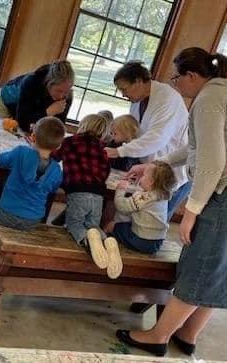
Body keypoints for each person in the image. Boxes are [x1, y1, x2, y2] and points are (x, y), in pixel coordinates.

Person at [116, 47, 227, 357]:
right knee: (219, 269)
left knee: (200, 265)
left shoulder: (209, 98)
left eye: (178, 77)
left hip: (222, 196)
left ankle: (159, 335)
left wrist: (190, 212)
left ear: (192, 76)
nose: (176, 84)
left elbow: (211, 161)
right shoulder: (221, 92)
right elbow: (195, 147)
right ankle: (188, 334)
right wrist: (156, 164)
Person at [0, 60, 74, 212]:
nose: (63, 95)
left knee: (28, 151)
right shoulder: (31, 82)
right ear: (48, 84)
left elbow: (55, 126)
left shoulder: (66, 96)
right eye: (59, 91)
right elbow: (23, 120)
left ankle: (9, 199)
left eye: (67, 91)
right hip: (7, 104)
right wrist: (48, 112)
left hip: (34, 116)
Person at [0, 116, 65, 268]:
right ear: (58, 146)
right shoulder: (56, 170)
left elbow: (2, 160)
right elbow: (53, 188)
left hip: (6, 213)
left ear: (32, 137)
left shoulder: (21, 152)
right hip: (33, 220)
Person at [105, 61, 189, 221]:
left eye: (124, 89)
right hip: (148, 168)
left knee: (153, 222)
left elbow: (157, 138)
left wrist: (119, 152)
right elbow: (136, 132)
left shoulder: (167, 98)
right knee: (135, 219)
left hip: (172, 171)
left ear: (138, 81)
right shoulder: (137, 103)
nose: (123, 94)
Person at [51, 114, 122, 278]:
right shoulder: (102, 150)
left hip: (77, 191)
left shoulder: (70, 142)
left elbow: (54, 157)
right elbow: (105, 172)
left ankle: (85, 240)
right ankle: (106, 241)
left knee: (74, 224)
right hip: (98, 194)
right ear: (103, 133)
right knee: (93, 226)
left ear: (82, 125)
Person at [108, 161, 176, 255]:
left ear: (151, 182)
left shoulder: (144, 198)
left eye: (143, 175)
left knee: (111, 225)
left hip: (142, 240)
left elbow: (121, 206)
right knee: (126, 223)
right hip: (157, 241)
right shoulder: (162, 195)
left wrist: (121, 189)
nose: (141, 177)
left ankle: (104, 246)